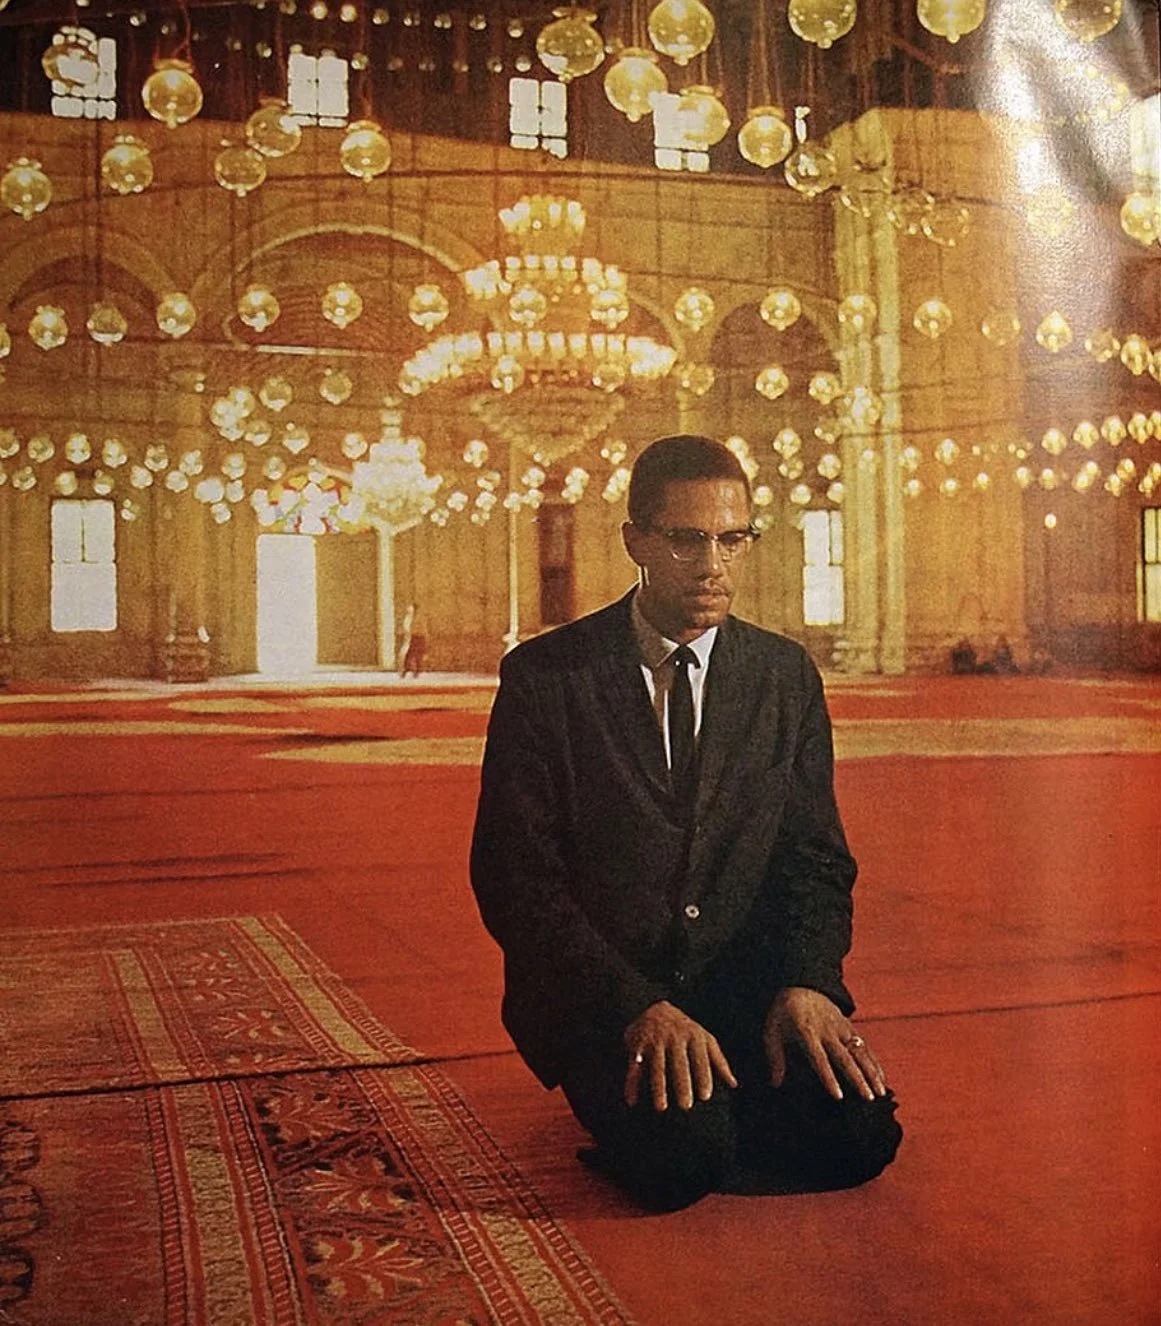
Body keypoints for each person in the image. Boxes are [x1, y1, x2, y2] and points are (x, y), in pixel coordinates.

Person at [470, 435, 901, 1210]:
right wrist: (632, 1005)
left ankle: (726, 1106)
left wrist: (806, 983)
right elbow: (516, 882)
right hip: (609, 1001)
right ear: (635, 541)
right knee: (682, 1164)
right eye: (686, 540)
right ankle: (695, 1119)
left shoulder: (783, 677)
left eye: (731, 539)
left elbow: (813, 858)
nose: (711, 565)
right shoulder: (548, 679)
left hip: (744, 988)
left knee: (860, 1140)